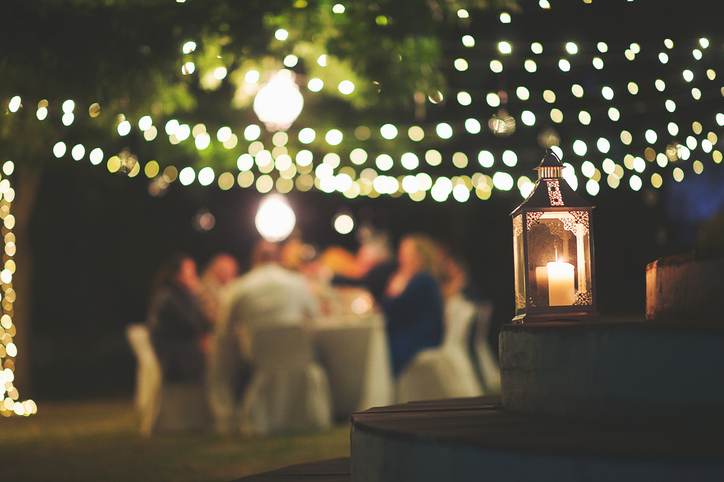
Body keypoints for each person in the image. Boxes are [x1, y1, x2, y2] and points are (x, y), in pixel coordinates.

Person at [209, 241, 320, 432]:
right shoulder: (297, 282)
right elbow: (315, 316)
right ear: (279, 259)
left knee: (222, 355)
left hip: (259, 354)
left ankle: (226, 413)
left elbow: (224, 330)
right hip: (295, 351)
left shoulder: (240, 287)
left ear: (254, 259)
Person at [382, 235, 444, 377]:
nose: (401, 259)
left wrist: (393, 290)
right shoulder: (424, 279)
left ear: (419, 257)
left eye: (406, 254)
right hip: (422, 334)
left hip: (422, 338)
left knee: (384, 346)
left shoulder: (422, 280)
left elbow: (391, 310)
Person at [147, 253, 210, 384]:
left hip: (184, 352)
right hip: (176, 357)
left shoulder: (178, 295)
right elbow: (193, 324)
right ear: (176, 274)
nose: (193, 274)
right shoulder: (169, 297)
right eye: (189, 270)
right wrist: (197, 294)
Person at [199, 253, 239, 324]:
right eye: (229, 271)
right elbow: (214, 317)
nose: (232, 276)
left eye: (233, 271)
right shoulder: (207, 288)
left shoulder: (223, 287)